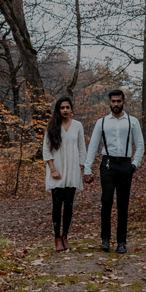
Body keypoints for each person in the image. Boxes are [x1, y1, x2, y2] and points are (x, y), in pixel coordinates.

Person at [84, 89, 144, 254]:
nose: (116, 104)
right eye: (113, 101)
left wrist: (135, 164)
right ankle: (105, 239)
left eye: (118, 101)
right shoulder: (102, 122)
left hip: (125, 164)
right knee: (107, 200)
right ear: (109, 103)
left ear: (123, 102)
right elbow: (94, 146)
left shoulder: (132, 121)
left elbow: (140, 145)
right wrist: (87, 168)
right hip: (108, 164)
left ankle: (122, 242)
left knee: (123, 203)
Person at [43, 96, 86, 251]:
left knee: (68, 205)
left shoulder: (78, 126)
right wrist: (53, 169)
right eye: (62, 108)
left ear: (71, 109)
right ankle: (56, 238)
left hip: (72, 170)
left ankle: (65, 236)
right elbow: (46, 149)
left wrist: (83, 168)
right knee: (57, 205)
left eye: (68, 107)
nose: (65, 110)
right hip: (58, 170)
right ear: (58, 109)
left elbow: (82, 148)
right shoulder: (52, 126)